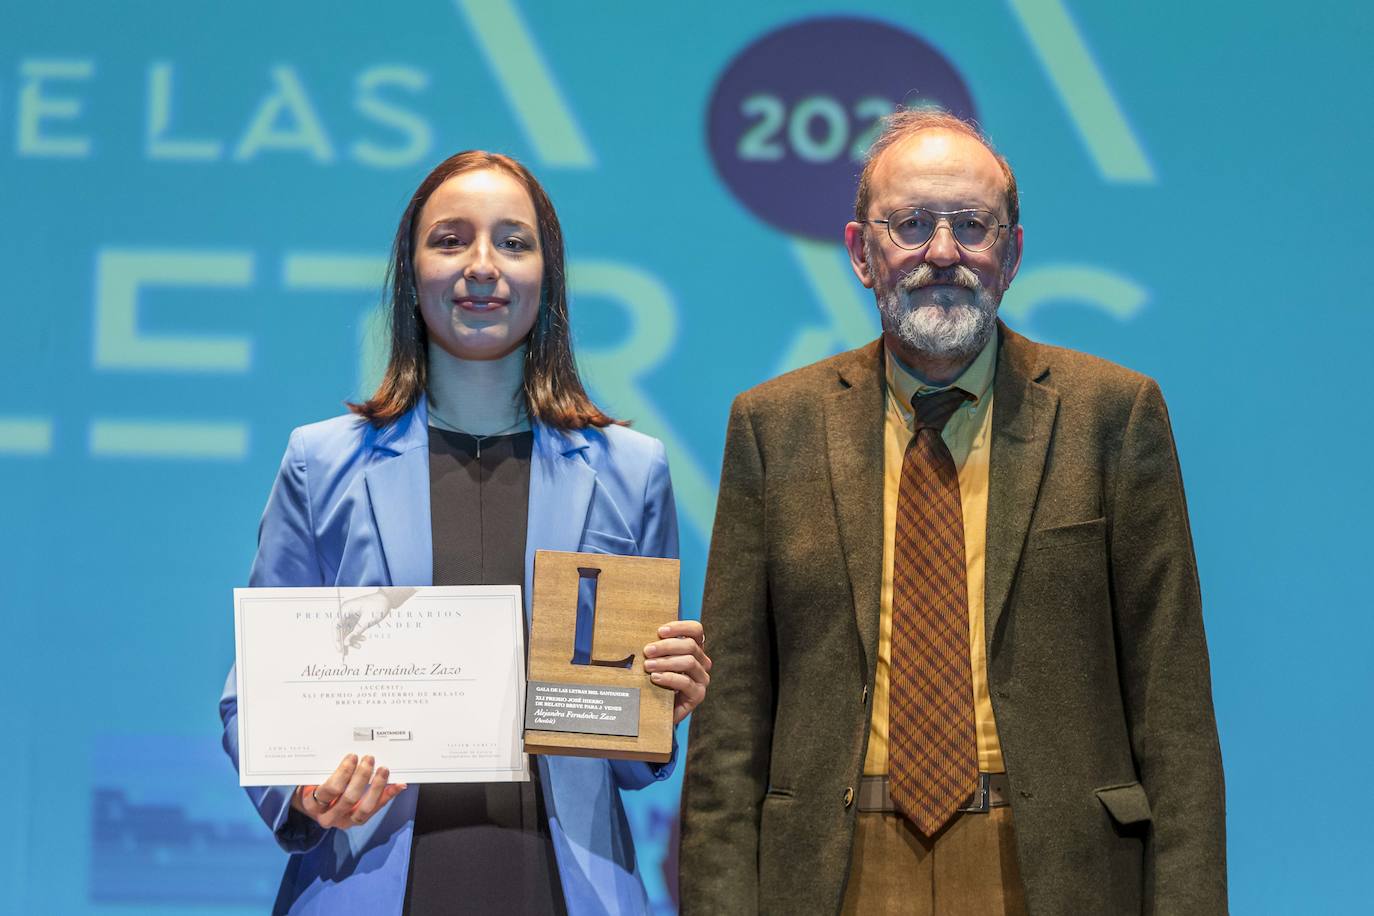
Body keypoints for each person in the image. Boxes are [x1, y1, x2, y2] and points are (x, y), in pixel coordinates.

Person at [678, 110, 1225, 914]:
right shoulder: (773, 427)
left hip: (1058, 871)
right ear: (862, 253)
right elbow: (730, 727)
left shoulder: (1114, 414)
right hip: (833, 870)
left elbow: (1173, 714)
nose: (942, 251)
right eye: (911, 225)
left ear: (1011, 253)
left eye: (972, 225)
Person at [218, 150, 710, 916]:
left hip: (564, 885)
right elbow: (254, 690)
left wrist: (663, 706)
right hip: (368, 881)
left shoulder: (631, 470)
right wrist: (304, 793)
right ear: (411, 275)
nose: (483, 266)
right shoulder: (321, 462)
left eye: (513, 242)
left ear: (547, 276)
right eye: (451, 240)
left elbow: (628, 758)